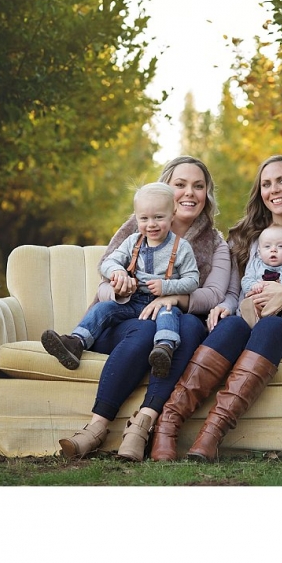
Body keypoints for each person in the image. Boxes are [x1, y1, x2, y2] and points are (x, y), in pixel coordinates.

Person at [150, 154, 282, 462]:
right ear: (261, 193)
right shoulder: (252, 240)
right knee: (232, 325)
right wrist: (228, 307)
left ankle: (211, 435)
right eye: (266, 184)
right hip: (255, 324)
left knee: (270, 326)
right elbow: (235, 293)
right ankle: (167, 426)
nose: (274, 190)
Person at [55, 156, 231, 461]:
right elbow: (104, 279)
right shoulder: (136, 228)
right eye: (180, 184)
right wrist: (118, 284)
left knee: (189, 325)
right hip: (123, 319)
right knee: (147, 328)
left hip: (171, 324)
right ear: (166, 190)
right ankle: (96, 427)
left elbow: (214, 294)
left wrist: (172, 298)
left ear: (207, 194)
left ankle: (143, 424)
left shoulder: (215, 243)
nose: (190, 192)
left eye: (198, 186)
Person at [41, 182, 199, 379]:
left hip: (161, 303)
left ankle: (163, 350)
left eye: (159, 217)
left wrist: (166, 286)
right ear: (136, 217)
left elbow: (193, 280)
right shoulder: (133, 241)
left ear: (172, 214)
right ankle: (76, 343)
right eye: (144, 218)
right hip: (134, 301)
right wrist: (119, 272)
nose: (151, 224)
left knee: (168, 316)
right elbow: (108, 263)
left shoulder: (181, 247)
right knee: (102, 309)